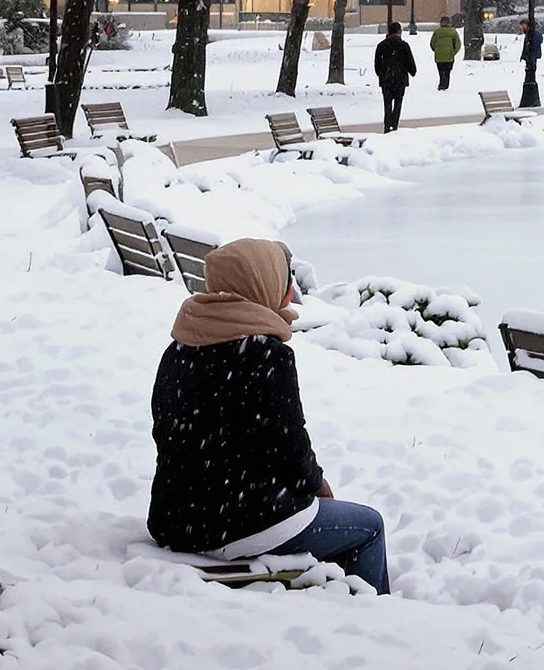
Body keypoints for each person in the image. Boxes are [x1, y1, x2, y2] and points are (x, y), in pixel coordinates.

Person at [147, 238, 388, 593]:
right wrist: (317, 484)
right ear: (261, 283)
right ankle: (372, 615)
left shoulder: (181, 346)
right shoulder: (266, 356)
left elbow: (165, 432)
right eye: (284, 279)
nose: (289, 289)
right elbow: (288, 447)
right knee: (369, 526)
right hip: (245, 524)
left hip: (176, 519)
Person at [373, 21, 415, 132]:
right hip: (400, 79)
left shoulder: (381, 46)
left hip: (386, 79)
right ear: (399, 32)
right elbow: (411, 64)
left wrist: (382, 74)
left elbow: (377, 65)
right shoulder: (404, 46)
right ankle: (394, 125)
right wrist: (411, 71)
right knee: (398, 103)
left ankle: (387, 126)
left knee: (387, 104)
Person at [429, 15, 460, 91]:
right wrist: (453, 52)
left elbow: (432, 43)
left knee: (441, 71)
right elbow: (458, 44)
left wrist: (436, 50)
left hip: (439, 56)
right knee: (447, 72)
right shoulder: (453, 32)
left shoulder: (437, 32)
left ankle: (442, 84)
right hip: (449, 56)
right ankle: (445, 85)